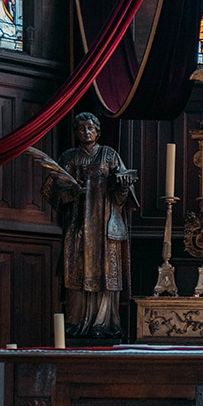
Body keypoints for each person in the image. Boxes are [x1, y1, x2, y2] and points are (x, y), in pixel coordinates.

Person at [41, 112, 136, 338]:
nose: (86, 132)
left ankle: (104, 322)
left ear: (98, 131)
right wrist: (71, 192)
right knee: (76, 270)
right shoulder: (69, 157)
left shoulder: (109, 155)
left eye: (91, 128)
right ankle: (76, 321)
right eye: (82, 128)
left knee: (106, 272)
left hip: (105, 226)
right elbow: (51, 192)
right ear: (75, 133)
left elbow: (123, 197)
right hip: (79, 226)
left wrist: (122, 185)